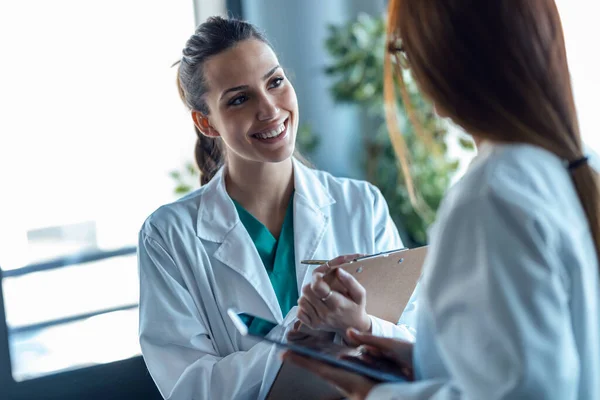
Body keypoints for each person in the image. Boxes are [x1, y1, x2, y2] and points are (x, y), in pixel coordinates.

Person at [284, 0, 600, 399]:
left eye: (403, 50)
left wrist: (378, 392)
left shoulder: (490, 195)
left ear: (446, 54)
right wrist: (426, 363)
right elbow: (534, 364)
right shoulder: (571, 168)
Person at [137, 16, 416, 400]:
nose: (269, 109)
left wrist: (360, 324)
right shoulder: (168, 236)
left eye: (275, 82)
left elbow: (420, 346)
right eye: (239, 98)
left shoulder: (361, 205)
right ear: (206, 123)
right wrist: (298, 332)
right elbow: (189, 388)